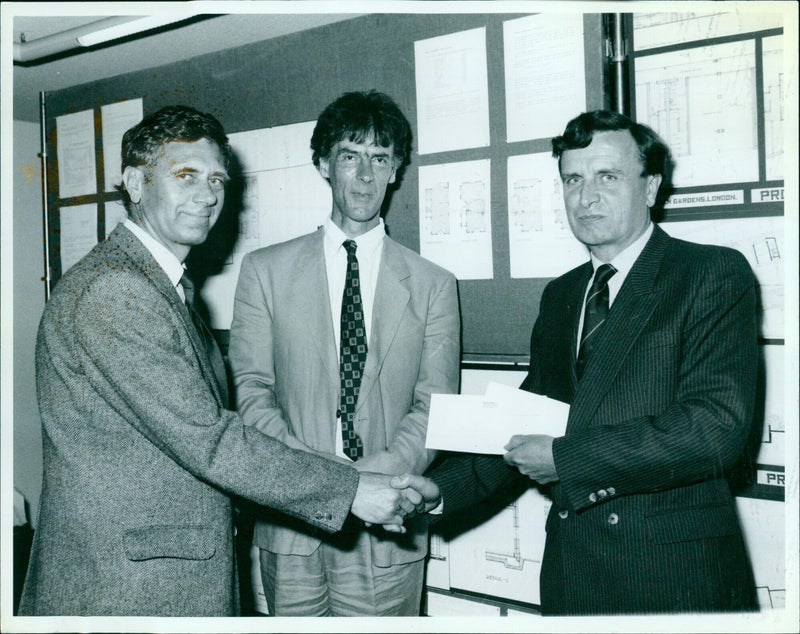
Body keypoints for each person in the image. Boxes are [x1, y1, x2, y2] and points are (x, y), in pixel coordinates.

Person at [19, 105, 421, 617]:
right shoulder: (117, 291)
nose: (208, 196)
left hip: (151, 578)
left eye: (216, 179)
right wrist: (352, 490)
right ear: (134, 184)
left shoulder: (162, 286)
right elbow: (210, 438)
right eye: (185, 176)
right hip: (126, 589)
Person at [395, 110, 759, 615]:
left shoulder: (709, 274)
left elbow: (714, 429)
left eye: (607, 177)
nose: (586, 197)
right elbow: (523, 421)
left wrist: (565, 460)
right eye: (573, 179)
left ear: (650, 187)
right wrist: (440, 491)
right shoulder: (563, 295)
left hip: (672, 581)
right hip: (574, 575)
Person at [228, 91, 460, 616]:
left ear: (396, 170)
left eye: (380, 158)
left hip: (387, 528)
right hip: (291, 524)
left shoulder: (434, 285)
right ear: (323, 165)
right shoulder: (264, 272)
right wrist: (334, 485)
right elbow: (251, 394)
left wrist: (376, 484)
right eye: (349, 155)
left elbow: (436, 405)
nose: (364, 175)